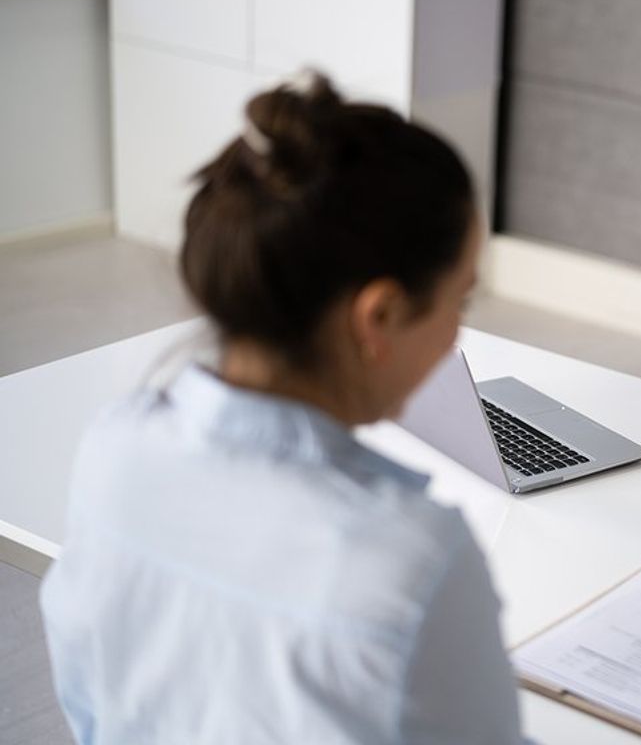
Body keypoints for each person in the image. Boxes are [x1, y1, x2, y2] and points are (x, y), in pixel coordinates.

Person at [40, 74, 526, 743]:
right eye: (460, 301)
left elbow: (89, 703)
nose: (457, 332)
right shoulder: (412, 562)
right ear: (379, 316)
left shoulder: (114, 449)